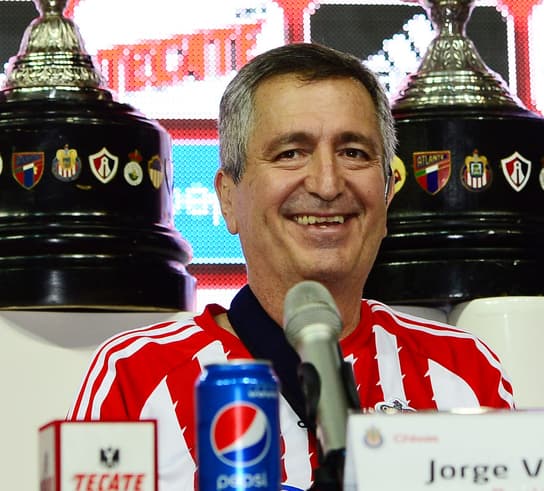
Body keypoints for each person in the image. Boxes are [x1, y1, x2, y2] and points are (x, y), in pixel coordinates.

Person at [68, 43, 514, 490]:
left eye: (354, 152)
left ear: (387, 193)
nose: (327, 184)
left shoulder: (464, 371)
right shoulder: (136, 374)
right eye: (290, 153)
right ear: (228, 198)